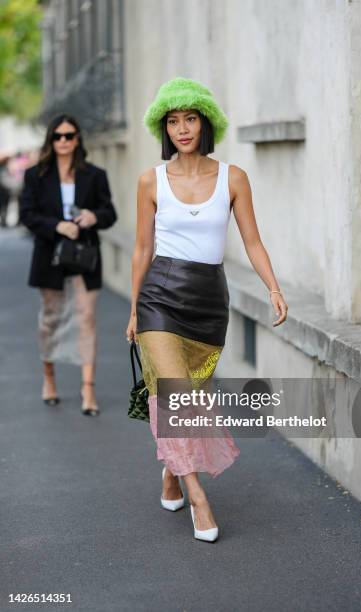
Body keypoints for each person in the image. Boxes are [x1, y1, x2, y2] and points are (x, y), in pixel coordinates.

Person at [126, 77, 288, 542]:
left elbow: (252, 240)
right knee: (175, 397)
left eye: (190, 118)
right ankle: (199, 498)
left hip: (208, 305)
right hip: (159, 296)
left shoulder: (233, 177)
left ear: (205, 123)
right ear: (164, 127)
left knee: (190, 403)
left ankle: (172, 472)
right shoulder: (149, 181)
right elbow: (141, 249)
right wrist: (135, 309)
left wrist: (273, 287)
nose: (182, 128)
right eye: (173, 121)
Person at [20, 113, 118, 416]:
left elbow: (109, 212)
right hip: (50, 256)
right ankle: (49, 378)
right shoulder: (35, 174)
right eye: (58, 136)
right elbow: (28, 214)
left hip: (84, 256)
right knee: (51, 318)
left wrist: (92, 217)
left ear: (78, 139)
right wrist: (58, 226)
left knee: (86, 317)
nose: (63, 141)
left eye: (69, 135)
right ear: (51, 139)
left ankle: (87, 387)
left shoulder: (94, 174)